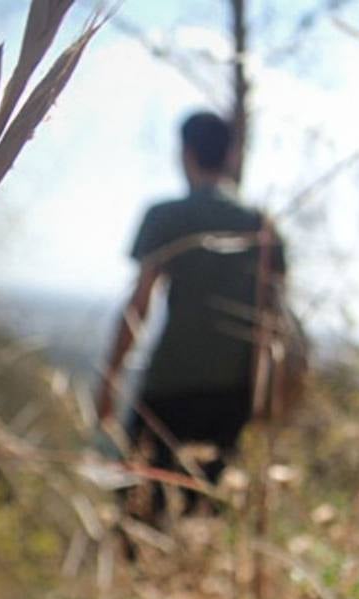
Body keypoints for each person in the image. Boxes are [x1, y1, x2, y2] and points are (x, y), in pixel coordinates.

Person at [96, 110, 286, 524]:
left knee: (139, 515)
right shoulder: (262, 225)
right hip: (233, 395)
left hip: (169, 387)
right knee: (203, 515)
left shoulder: (166, 216)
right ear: (231, 156)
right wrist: (266, 401)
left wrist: (109, 380)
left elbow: (139, 307)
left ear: (185, 153)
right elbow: (274, 326)